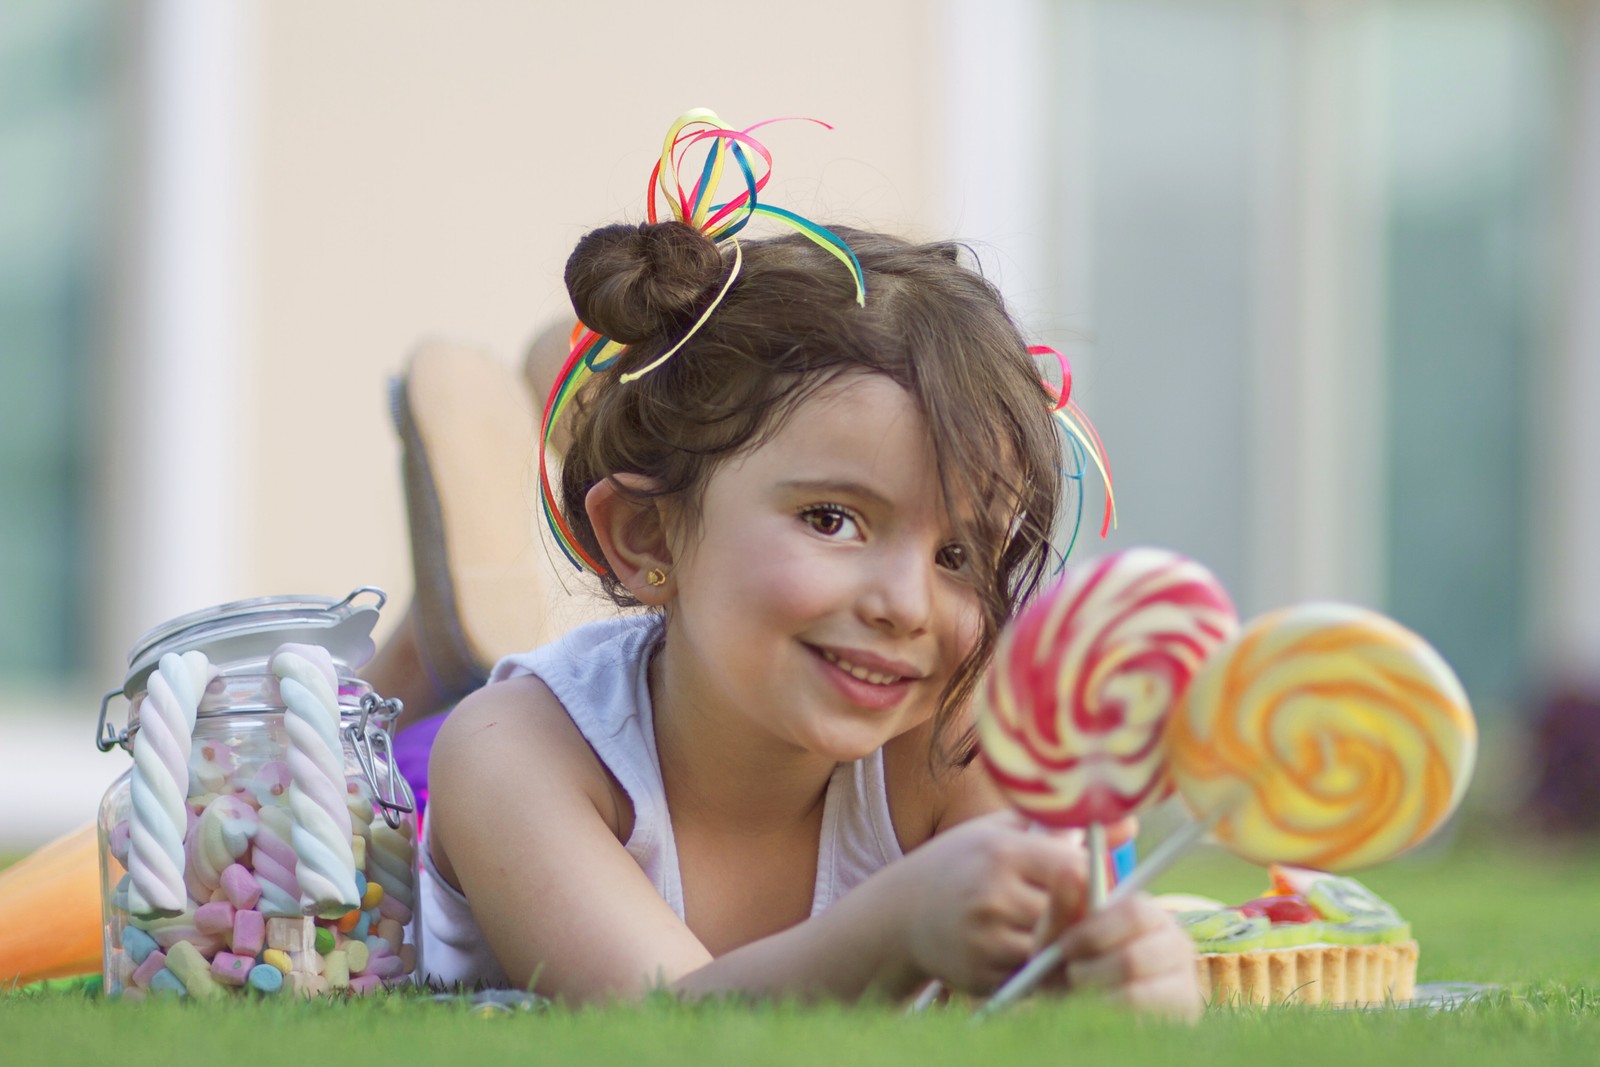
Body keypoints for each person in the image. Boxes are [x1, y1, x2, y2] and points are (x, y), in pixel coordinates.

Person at [414, 115, 1200, 1015]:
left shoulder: (950, 747)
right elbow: (667, 1023)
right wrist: (899, 921)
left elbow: (1033, 998)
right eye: (833, 518)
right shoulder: (510, 755)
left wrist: (1123, 977)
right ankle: (430, 643)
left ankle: (581, 408)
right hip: (408, 773)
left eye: (959, 553)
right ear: (646, 537)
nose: (908, 605)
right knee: (415, 712)